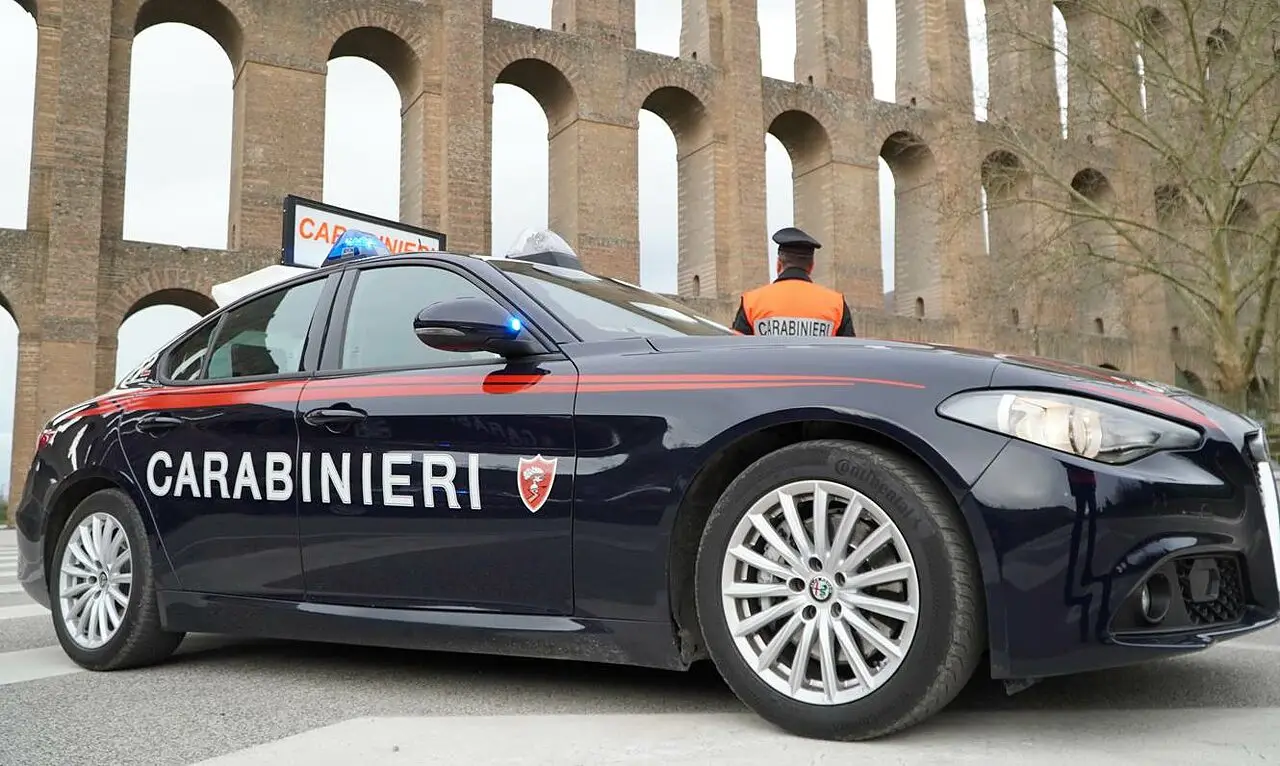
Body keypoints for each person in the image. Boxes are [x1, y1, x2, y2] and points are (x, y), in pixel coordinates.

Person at [731, 226, 856, 337]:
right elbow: (849, 355)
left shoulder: (752, 302)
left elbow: (738, 353)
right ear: (811, 266)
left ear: (779, 265)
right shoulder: (835, 304)